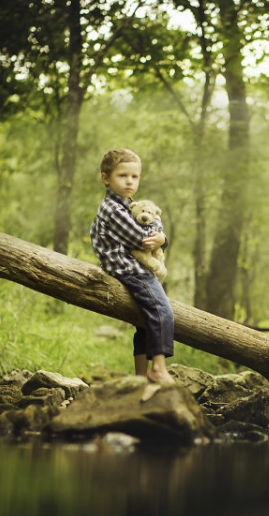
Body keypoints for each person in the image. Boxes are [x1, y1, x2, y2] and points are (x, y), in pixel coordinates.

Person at [89, 148, 175, 384]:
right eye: (122, 175)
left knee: (144, 322)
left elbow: (150, 229)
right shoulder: (114, 210)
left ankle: (140, 377)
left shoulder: (130, 205)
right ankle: (158, 367)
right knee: (161, 310)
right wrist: (161, 238)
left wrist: (161, 239)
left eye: (134, 176)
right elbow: (142, 239)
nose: (129, 181)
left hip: (133, 267)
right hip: (128, 269)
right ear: (106, 178)